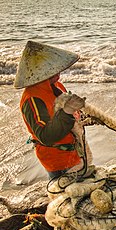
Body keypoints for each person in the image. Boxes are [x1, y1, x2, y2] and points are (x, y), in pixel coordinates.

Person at [15, 41, 90, 179]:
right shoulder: (32, 99)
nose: (58, 74)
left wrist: (82, 117)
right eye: (53, 71)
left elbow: (70, 114)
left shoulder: (57, 86)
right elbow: (45, 136)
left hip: (75, 153)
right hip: (58, 160)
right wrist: (67, 112)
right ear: (41, 73)